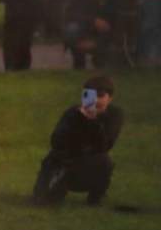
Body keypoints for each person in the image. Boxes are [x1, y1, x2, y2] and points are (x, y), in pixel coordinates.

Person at [33, 75, 123, 206]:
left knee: (105, 161)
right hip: (65, 162)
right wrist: (79, 119)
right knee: (44, 201)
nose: (96, 101)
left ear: (110, 98)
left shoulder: (114, 115)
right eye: (92, 96)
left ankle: (96, 197)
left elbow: (105, 145)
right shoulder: (73, 113)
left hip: (88, 165)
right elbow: (56, 142)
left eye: (101, 96)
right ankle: (55, 185)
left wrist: (93, 121)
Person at [63, 0, 120, 69]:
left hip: (107, 36)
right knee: (71, 29)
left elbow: (119, 26)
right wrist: (93, 21)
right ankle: (79, 63)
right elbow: (69, 14)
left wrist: (97, 43)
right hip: (84, 31)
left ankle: (100, 59)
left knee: (105, 62)